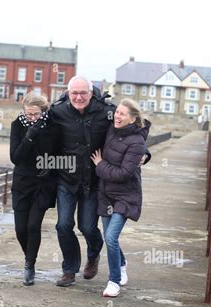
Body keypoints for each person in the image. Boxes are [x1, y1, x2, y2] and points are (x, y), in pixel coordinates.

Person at [49, 76, 150, 287]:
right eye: (74, 93)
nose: (79, 97)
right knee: (63, 225)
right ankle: (69, 270)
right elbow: (42, 132)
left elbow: (131, 127)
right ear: (68, 94)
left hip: (93, 182)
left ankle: (93, 254)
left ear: (91, 92)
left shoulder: (106, 111)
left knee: (87, 227)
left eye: (83, 93)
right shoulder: (57, 112)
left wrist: (144, 153)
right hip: (66, 180)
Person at [91, 98, 151, 297]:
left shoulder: (138, 143)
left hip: (126, 196)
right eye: (117, 112)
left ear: (133, 119)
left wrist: (99, 165)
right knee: (111, 239)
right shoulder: (111, 130)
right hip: (106, 194)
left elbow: (123, 174)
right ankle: (122, 263)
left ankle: (113, 281)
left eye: (122, 114)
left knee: (110, 237)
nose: (117, 115)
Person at [10, 92, 59, 286]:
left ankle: (29, 266)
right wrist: (29, 136)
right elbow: (15, 157)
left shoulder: (53, 127)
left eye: (36, 114)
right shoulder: (17, 125)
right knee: (20, 228)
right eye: (29, 114)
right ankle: (28, 257)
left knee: (33, 226)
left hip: (43, 183)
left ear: (43, 111)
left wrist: (51, 166)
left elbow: (60, 153)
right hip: (22, 182)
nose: (32, 118)